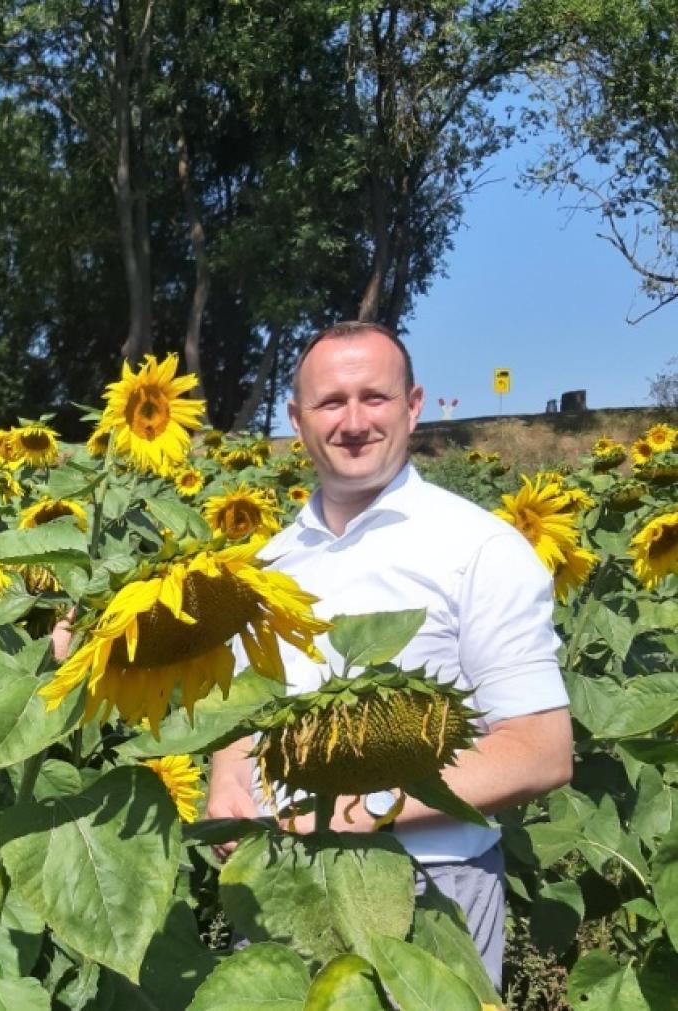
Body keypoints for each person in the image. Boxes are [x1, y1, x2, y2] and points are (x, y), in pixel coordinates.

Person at [206, 321, 572, 987]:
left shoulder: (477, 548)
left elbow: (540, 748)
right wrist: (226, 782)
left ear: (413, 404)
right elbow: (241, 712)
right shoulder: (265, 564)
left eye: (374, 397)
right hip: (281, 884)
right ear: (296, 418)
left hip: (430, 887)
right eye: (329, 401)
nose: (352, 421)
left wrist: (362, 807)